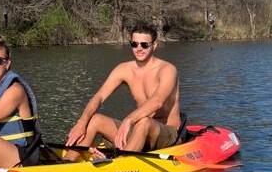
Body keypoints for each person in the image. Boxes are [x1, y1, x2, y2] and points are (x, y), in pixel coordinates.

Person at [65, 23, 185, 157]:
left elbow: (157, 102)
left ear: (154, 45)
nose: (139, 49)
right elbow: (99, 97)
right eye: (134, 44)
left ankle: (118, 166)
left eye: (144, 45)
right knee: (95, 119)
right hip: (137, 129)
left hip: (167, 133)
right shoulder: (124, 69)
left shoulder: (167, 70)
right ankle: (66, 164)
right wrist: (81, 123)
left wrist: (128, 120)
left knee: (144, 122)